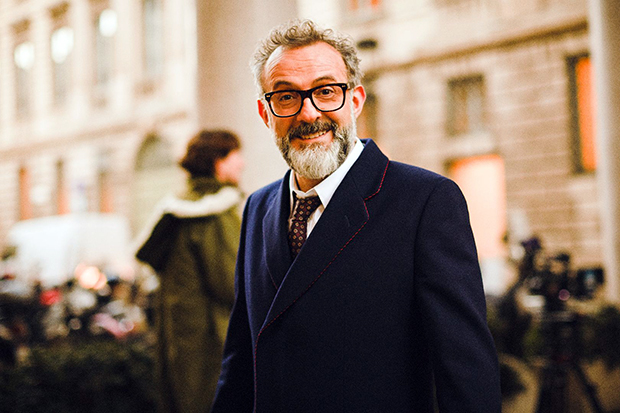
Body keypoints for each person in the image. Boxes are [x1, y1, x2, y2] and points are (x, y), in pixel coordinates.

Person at [211, 20, 502, 413]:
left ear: (356, 100)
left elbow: (466, 372)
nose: (309, 113)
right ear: (265, 112)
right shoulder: (258, 207)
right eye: (286, 97)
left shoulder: (426, 202)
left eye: (326, 91)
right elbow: (241, 362)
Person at [134, 129, 244, 413]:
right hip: (211, 339)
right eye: (235, 155)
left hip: (179, 335)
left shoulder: (180, 205)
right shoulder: (214, 213)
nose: (242, 163)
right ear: (218, 162)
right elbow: (234, 284)